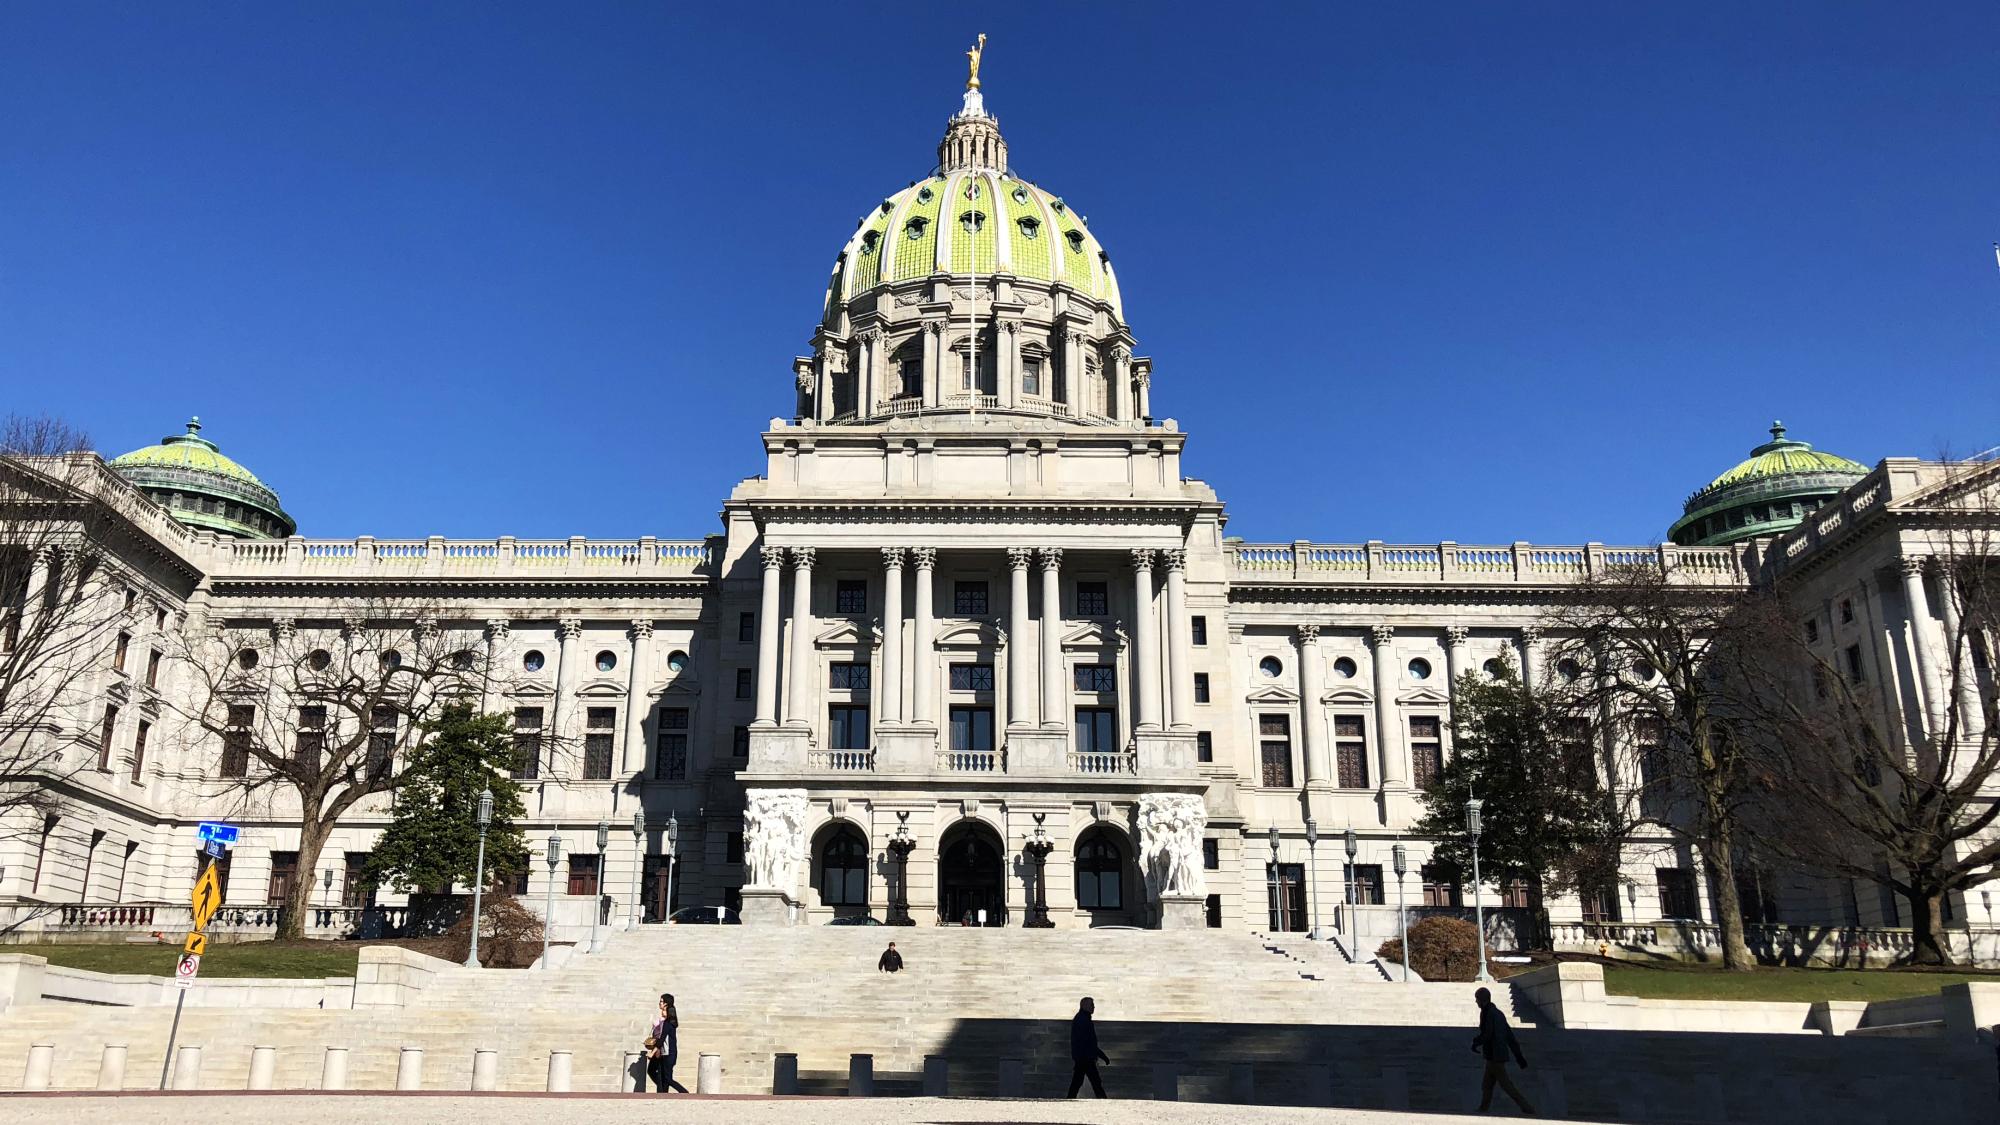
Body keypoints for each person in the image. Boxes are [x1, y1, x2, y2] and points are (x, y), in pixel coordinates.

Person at [1470, 986, 1534, 1115]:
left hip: (1495, 1055)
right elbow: (1509, 1036)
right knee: (1487, 1084)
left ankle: (1527, 1107)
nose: (1476, 1002)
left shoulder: (1489, 1013)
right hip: (1494, 1055)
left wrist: (1476, 1042)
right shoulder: (1497, 1013)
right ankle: (1483, 1108)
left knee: (1506, 1085)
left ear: (1482, 1000)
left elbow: (1488, 1034)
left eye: (1477, 999)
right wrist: (1519, 1056)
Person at [1066, 996, 1109, 1098]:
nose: (1094, 1007)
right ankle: (1103, 1100)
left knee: (1079, 1082)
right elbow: (1088, 1042)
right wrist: (1102, 1055)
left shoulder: (1082, 1018)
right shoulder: (1083, 1020)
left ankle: (1070, 1098)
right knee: (1094, 1082)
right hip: (1085, 1058)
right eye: (1091, 1005)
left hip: (1083, 1057)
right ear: (1085, 1006)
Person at [646, 992, 689, 1094]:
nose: (662, 1011)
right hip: (666, 1053)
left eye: (661, 1002)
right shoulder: (669, 1022)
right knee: (662, 1077)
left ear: (666, 1006)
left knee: (667, 1078)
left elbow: (661, 1039)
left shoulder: (667, 1023)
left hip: (669, 1053)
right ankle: (662, 1094)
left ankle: (684, 1092)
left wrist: (652, 1053)